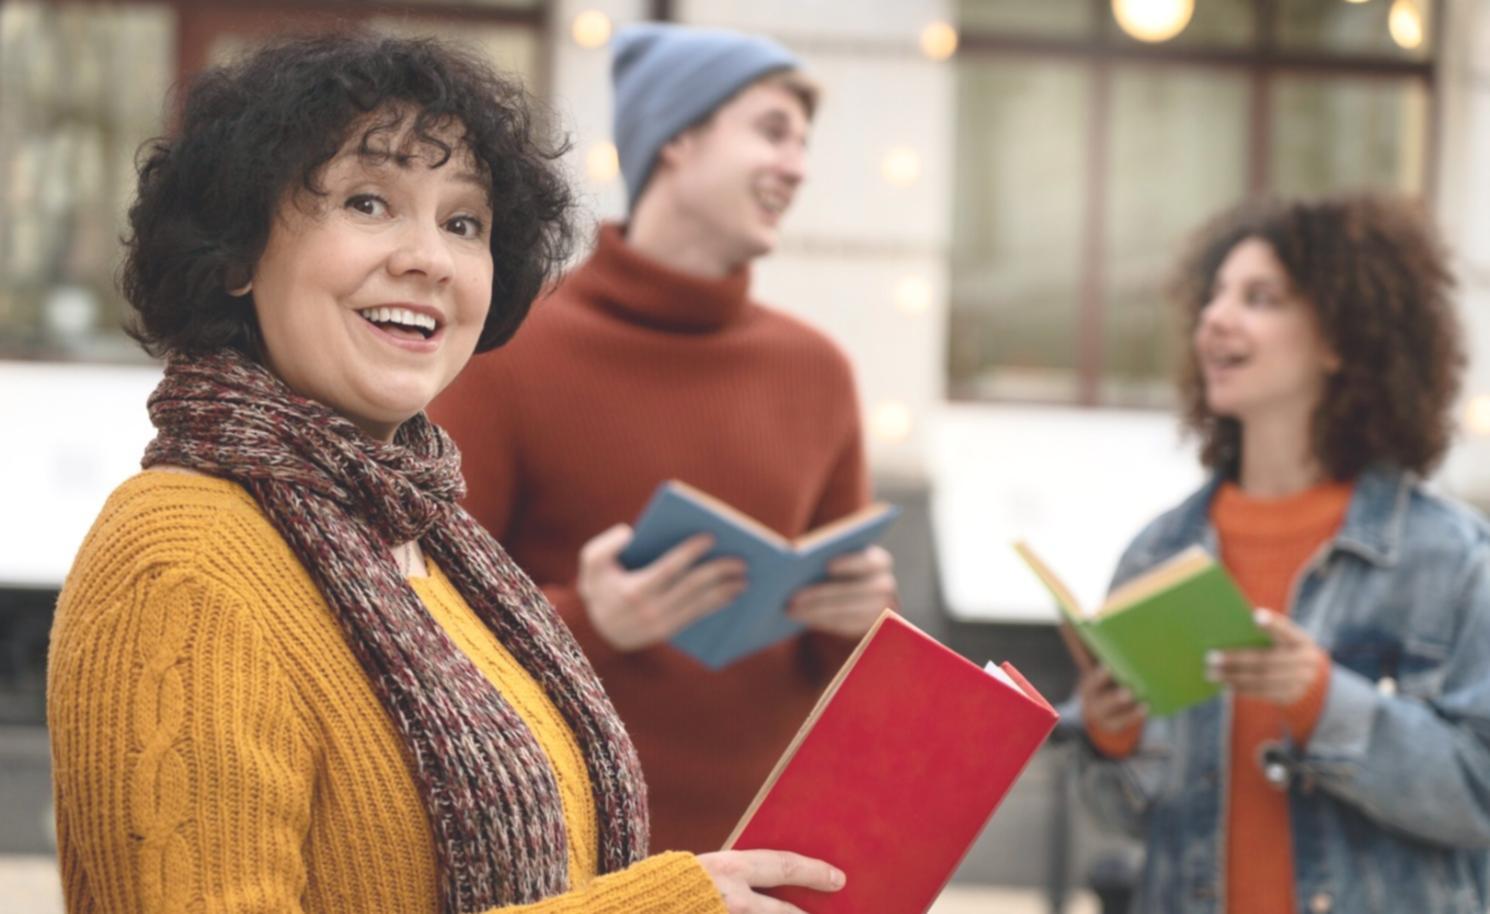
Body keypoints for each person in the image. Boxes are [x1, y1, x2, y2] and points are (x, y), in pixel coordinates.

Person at [46, 31, 849, 914]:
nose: (429, 257)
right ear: (237, 255)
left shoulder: (429, 537)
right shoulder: (184, 561)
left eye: (463, 222)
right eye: (366, 202)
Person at [431, 23, 897, 853]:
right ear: (677, 138)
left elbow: (844, 672)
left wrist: (858, 619)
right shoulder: (506, 352)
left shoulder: (816, 370)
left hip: (769, 858)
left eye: (804, 141)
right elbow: (428, 626)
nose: (797, 166)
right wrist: (589, 619)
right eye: (771, 131)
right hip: (573, 859)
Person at [1075, 195, 1490, 913]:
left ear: (1342, 340)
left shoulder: (1451, 559)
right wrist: (1113, 738)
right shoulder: (1159, 554)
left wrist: (1323, 701)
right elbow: (1123, 819)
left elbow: (1478, 795)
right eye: (1214, 297)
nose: (1216, 318)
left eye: (1259, 298)